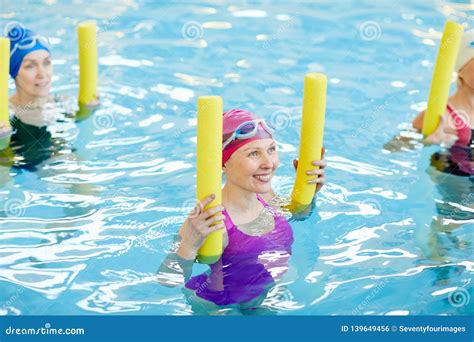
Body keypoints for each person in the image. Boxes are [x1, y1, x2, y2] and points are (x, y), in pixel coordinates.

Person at [158, 109, 326, 312]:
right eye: (254, 153)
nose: (268, 164)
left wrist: (310, 193)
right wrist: (189, 244)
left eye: (271, 149)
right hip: (218, 307)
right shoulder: (210, 217)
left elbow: (298, 216)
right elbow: (168, 280)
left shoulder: (265, 195)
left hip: (262, 294)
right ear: (224, 163)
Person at [0, 23, 98, 170]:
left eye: (46, 63)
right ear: (14, 72)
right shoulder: (6, 114)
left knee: (80, 167)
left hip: (55, 157)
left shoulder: (63, 103)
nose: (42, 74)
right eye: (30, 66)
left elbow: (80, 124)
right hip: (15, 164)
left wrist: (88, 109)